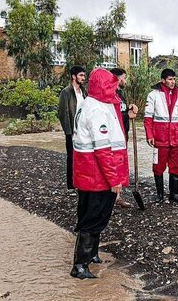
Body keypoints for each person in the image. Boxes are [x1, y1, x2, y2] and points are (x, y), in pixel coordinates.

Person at [70, 68, 129, 279]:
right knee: (93, 217)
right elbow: (103, 150)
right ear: (104, 86)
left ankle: (92, 254)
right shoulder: (97, 110)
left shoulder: (92, 103)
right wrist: (115, 179)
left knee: (95, 215)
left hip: (90, 174)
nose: (115, 89)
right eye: (112, 85)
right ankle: (80, 265)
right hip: (97, 176)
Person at [144, 68, 178, 204]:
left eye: (174, 79)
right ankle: (159, 195)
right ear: (163, 80)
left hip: (174, 138)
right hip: (160, 138)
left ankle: (174, 195)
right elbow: (148, 118)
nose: (172, 82)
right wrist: (149, 135)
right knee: (158, 166)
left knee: (176, 166)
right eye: (170, 79)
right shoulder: (153, 95)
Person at [109, 67, 139, 208]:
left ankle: (117, 196)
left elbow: (121, 111)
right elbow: (112, 118)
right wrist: (128, 115)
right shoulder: (109, 95)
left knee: (120, 165)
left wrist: (129, 108)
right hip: (113, 138)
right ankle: (111, 196)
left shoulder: (120, 94)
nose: (125, 81)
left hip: (123, 135)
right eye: (124, 78)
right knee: (113, 165)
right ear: (118, 79)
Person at [58, 65, 87, 190]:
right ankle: (71, 184)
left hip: (84, 131)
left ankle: (81, 182)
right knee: (71, 157)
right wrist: (68, 132)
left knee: (83, 157)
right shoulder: (66, 92)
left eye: (84, 75)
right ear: (73, 76)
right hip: (72, 131)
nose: (83, 78)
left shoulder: (84, 92)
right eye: (81, 75)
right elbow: (62, 113)